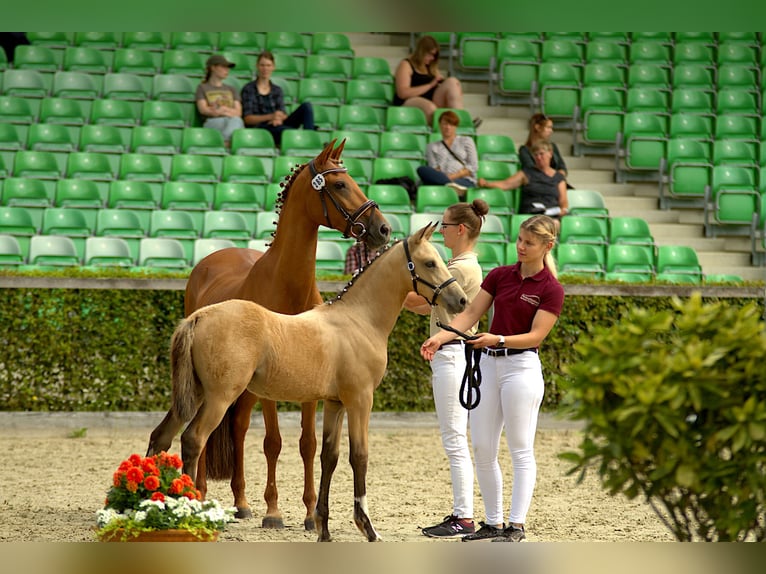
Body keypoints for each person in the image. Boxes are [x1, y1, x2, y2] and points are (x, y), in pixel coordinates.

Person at [420, 214, 565, 543]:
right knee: (483, 446)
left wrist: (497, 339)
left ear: (547, 245)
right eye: (519, 240)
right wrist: (441, 338)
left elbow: (535, 336)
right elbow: (471, 313)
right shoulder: (501, 276)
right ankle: (494, 522)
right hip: (488, 365)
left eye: (529, 242)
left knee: (520, 449)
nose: (521, 246)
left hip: (521, 368)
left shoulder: (551, 289)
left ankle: (517, 524)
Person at [403, 199, 489, 539]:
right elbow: (426, 308)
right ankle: (462, 513)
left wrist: (394, 286)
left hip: (453, 351)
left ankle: (463, 516)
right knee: (455, 438)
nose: (441, 231)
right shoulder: (460, 264)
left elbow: (419, 302)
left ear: (461, 229)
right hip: (452, 352)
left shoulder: (461, 269)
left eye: (446, 226)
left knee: (454, 439)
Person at [393, 35, 481, 128]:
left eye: (434, 56)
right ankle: (447, 127)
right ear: (421, 52)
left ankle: (459, 121)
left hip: (430, 98)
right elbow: (402, 93)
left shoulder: (431, 67)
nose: (432, 58)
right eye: (430, 54)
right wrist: (430, 85)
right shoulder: (406, 64)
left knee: (452, 82)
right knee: (430, 108)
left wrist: (441, 83)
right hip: (409, 100)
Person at [478, 141, 568, 231]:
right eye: (536, 155)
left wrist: (562, 210)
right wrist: (487, 184)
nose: (539, 158)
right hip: (531, 213)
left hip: (551, 214)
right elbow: (506, 184)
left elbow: (563, 202)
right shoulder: (526, 173)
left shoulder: (559, 178)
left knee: (555, 224)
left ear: (550, 154)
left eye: (541, 154)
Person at [241, 50, 315, 147]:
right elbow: (248, 119)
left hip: (278, 125)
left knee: (307, 106)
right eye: (262, 65)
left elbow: (283, 113)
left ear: (273, 67)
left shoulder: (277, 90)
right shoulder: (249, 89)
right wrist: (270, 117)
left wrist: (278, 118)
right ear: (257, 66)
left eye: (268, 65)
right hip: (261, 128)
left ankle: (310, 138)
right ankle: (307, 141)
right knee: (289, 132)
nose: (265, 69)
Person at [416, 110, 478, 198]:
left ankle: (449, 186)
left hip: (463, 179)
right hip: (441, 177)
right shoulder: (432, 146)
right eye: (445, 124)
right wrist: (445, 177)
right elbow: (434, 168)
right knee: (422, 169)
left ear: (455, 126)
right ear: (440, 125)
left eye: (451, 124)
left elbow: (473, 166)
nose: (448, 127)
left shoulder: (466, 141)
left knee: (433, 183)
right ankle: (450, 187)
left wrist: (453, 176)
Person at [195, 55, 245, 146]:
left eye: (227, 67)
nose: (227, 70)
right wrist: (226, 111)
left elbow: (238, 112)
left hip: (230, 120)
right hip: (213, 122)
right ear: (213, 68)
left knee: (237, 120)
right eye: (223, 67)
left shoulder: (231, 89)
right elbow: (203, 109)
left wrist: (222, 110)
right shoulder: (202, 87)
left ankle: (223, 143)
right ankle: (226, 143)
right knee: (233, 122)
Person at [518, 113, 571, 187]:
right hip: (538, 185)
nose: (551, 131)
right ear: (537, 127)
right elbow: (531, 170)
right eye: (548, 127)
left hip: (556, 183)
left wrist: (557, 177)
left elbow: (562, 167)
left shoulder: (553, 147)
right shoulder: (524, 150)